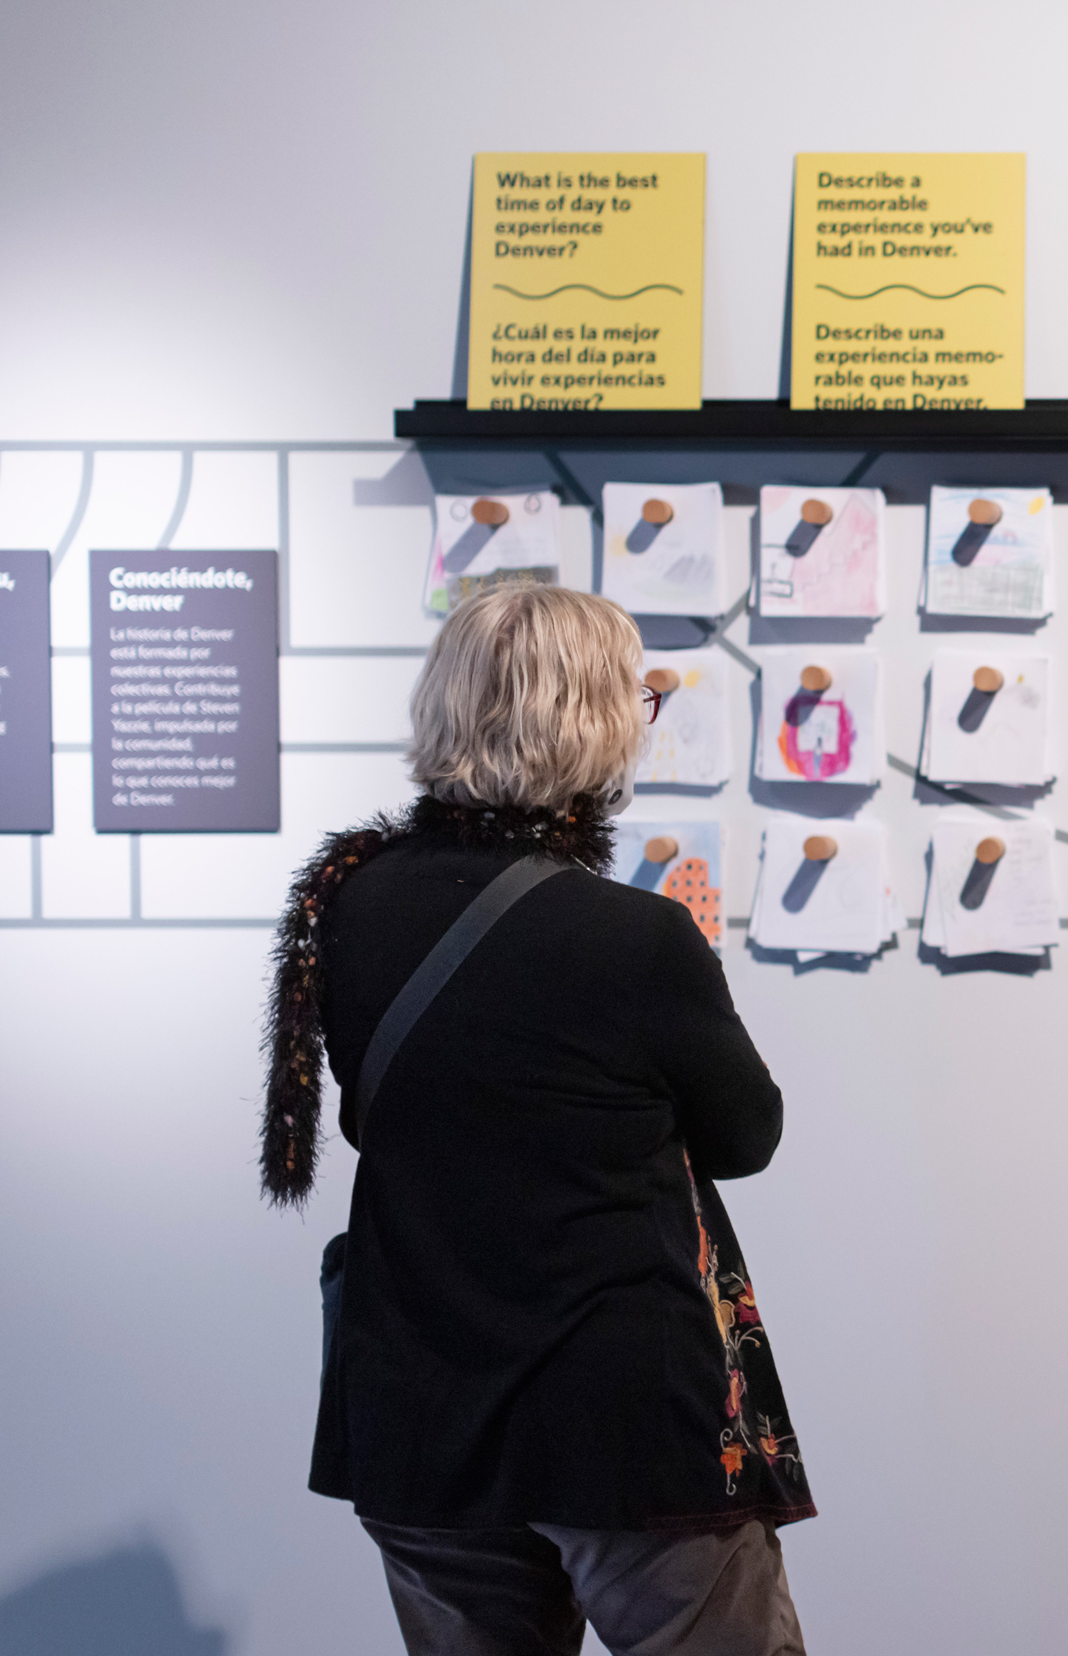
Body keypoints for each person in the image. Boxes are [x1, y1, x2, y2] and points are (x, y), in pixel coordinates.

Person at [261, 583, 813, 1656]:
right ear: (596, 721)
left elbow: (385, 1122)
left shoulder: (348, 906)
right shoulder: (637, 939)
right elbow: (748, 1136)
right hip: (619, 1418)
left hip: (419, 1405)